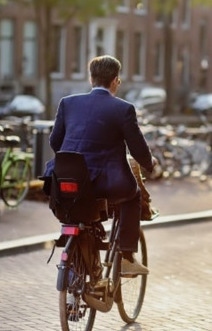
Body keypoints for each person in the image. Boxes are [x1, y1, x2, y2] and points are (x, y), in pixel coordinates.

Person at [44, 55, 156, 276]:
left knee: (78, 203)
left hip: (65, 178)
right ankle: (126, 256)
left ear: (91, 79)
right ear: (115, 80)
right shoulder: (123, 109)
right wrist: (151, 164)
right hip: (105, 182)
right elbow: (138, 150)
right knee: (132, 196)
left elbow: (55, 142)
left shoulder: (68, 103)